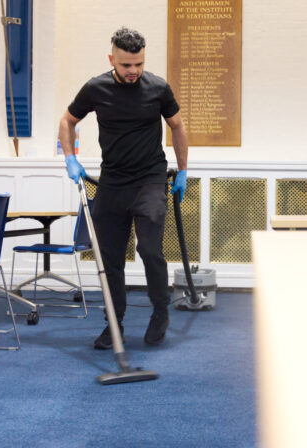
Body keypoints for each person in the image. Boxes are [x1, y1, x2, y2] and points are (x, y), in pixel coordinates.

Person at [58, 27, 188, 349]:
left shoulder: (158, 88)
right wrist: (70, 159)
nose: (133, 72)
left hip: (150, 179)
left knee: (149, 249)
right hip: (112, 181)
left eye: (139, 64)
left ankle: (160, 311)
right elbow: (67, 121)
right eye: (126, 65)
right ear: (112, 59)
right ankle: (113, 324)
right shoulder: (95, 88)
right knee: (110, 259)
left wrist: (183, 170)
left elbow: (178, 126)